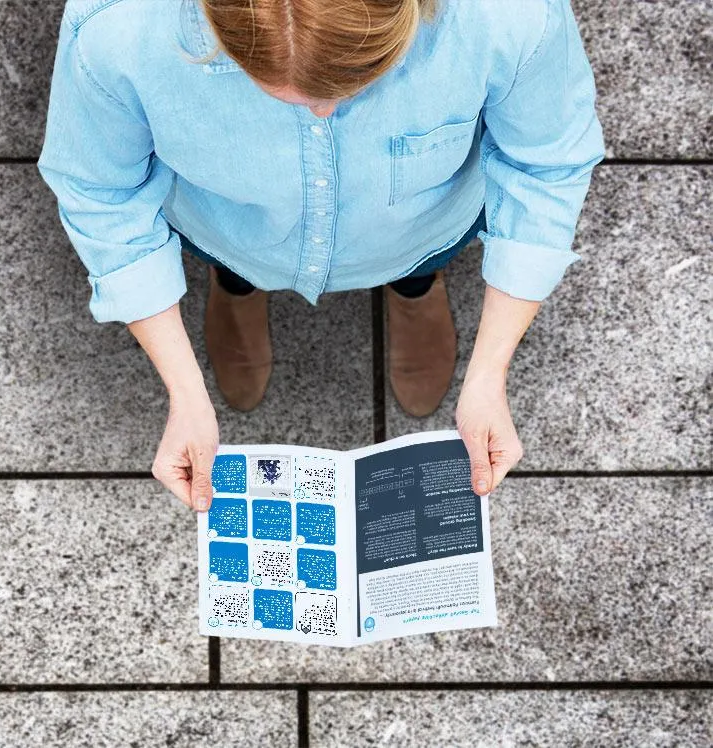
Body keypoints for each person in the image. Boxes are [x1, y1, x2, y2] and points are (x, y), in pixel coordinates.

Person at [38, 0, 605, 512]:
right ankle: (237, 285)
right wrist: (184, 392)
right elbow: (102, 195)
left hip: (421, 226)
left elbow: (545, 166)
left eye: (354, 84)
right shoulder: (116, 27)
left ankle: (414, 286)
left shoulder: (508, 15)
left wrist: (488, 374)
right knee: (233, 258)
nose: (321, 114)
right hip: (229, 229)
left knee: (423, 256)